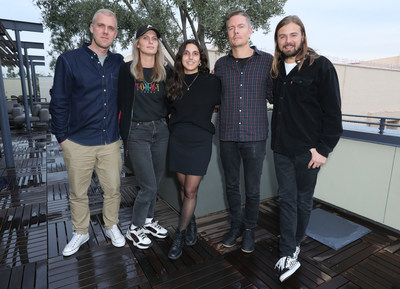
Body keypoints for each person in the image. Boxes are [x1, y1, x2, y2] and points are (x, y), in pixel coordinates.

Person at [270, 15, 343, 282]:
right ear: (277, 41)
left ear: (302, 36)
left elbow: (333, 114)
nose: (288, 41)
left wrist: (323, 149)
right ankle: (289, 251)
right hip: (281, 150)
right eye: (282, 36)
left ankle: (293, 244)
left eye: (292, 35)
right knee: (287, 200)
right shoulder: (277, 68)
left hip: (308, 153)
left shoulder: (321, 67)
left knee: (302, 201)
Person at [50, 9, 126, 257]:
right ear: (92, 28)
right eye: (101, 26)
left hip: (109, 141)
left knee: (113, 189)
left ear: (115, 33)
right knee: (77, 192)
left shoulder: (118, 63)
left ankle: (111, 225)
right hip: (78, 142)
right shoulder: (69, 60)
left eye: (111, 28)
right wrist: (62, 138)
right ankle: (81, 230)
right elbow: (59, 102)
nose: (106, 31)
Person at [214, 10, 273, 253]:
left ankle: (250, 229)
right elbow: (212, 98)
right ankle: (236, 225)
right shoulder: (220, 65)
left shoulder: (268, 61)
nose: (235, 31)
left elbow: (278, 95)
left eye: (240, 27)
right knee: (231, 185)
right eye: (231, 28)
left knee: (252, 188)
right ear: (228, 33)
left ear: (250, 31)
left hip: (255, 136)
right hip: (227, 134)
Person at [166, 40, 221, 259]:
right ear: (180, 57)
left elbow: (225, 101)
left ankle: (179, 234)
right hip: (178, 139)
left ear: (201, 57)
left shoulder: (212, 82)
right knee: (183, 186)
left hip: (200, 140)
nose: (190, 57)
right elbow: (167, 109)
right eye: (186, 53)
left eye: (195, 53)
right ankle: (191, 221)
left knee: (190, 190)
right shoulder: (173, 81)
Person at [118, 25, 170, 249]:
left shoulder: (164, 71)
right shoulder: (126, 70)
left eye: (154, 38)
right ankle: (134, 227)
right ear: (138, 43)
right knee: (147, 185)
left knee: (155, 182)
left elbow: (174, 98)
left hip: (161, 130)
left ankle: (148, 222)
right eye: (146, 38)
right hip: (137, 132)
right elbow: (118, 102)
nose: (151, 41)